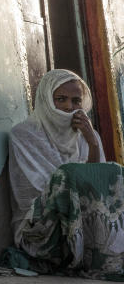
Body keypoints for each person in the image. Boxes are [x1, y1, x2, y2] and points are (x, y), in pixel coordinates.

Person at [7, 68, 124, 278]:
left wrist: (92, 143)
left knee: (115, 172)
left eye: (76, 101)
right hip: (40, 230)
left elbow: (97, 186)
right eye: (61, 99)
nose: (69, 107)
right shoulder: (23, 135)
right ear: (46, 100)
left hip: (86, 227)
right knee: (67, 175)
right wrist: (71, 179)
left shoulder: (87, 135)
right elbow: (36, 191)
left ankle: (97, 254)